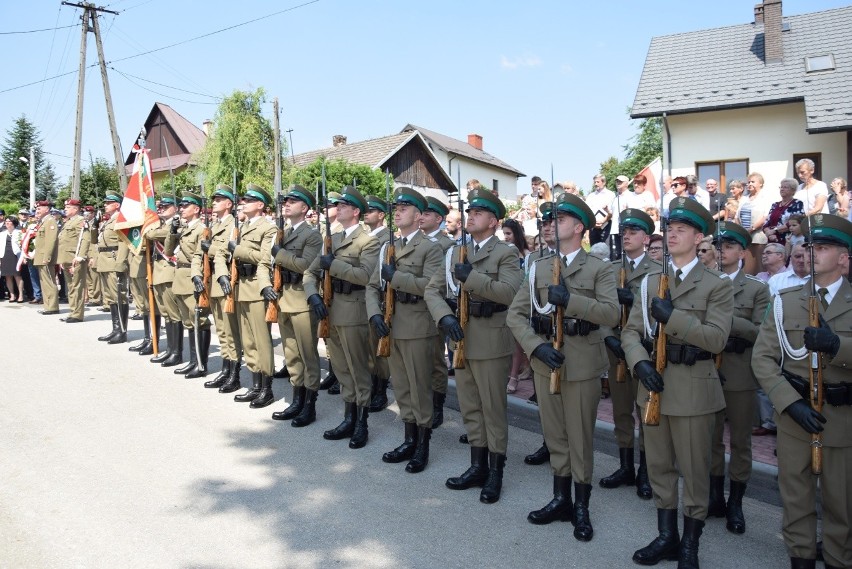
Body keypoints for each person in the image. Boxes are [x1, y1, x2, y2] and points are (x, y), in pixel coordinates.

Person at [621, 197, 733, 568]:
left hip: (694, 390)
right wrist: (639, 363)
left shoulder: (716, 284)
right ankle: (667, 537)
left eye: (681, 229)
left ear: (700, 237)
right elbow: (631, 332)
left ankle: (690, 545)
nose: (672, 234)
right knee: (659, 467)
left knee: (694, 470)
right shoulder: (650, 281)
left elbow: (717, 339)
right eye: (669, 228)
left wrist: (675, 318)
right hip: (652, 385)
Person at [507, 192, 618, 541]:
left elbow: (612, 314)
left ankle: (581, 507)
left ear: (579, 227)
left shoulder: (599, 269)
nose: (549, 224)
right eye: (548, 220)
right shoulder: (538, 266)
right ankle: (560, 499)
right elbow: (516, 315)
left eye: (558, 219)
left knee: (580, 438)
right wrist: (536, 348)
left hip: (582, 364)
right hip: (545, 363)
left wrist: (572, 300)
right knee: (554, 434)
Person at [751, 213, 852, 569]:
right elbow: (762, 359)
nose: (810, 253)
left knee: (843, 506)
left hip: (842, 420)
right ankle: (802, 560)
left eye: (821, 248)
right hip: (795, 417)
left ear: (844, 258)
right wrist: (789, 404)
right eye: (808, 246)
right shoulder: (786, 300)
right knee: (796, 503)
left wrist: (837, 345)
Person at [427, 188, 523, 504]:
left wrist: (472, 279)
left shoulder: (505, 253)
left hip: (492, 339)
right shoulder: (455, 252)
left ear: (493, 221)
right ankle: (477, 466)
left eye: (479, 213)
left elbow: (510, 293)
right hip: (461, 338)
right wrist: (444, 318)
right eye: (470, 212)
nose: (471, 216)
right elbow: (433, 291)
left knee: (492, 409)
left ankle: (496, 473)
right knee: (470, 405)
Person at [367, 187, 443, 473]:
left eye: (404, 208)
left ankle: (422, 446)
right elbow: (373, 286)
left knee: (419, 388)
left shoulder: (430, 248)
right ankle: (409, 440)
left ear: (419, 215)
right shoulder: (390, 246)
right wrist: (374, 313)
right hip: (391, 324)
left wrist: (397, 277)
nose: (397, 212)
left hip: (417, 326)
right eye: (396, 208)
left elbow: (432, 286)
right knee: (401, 387)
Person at [708, 221, 771, 536]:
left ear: (743, 252)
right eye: (719, 246)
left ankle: (736, 503)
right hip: (709, 371)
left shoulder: (757, 288)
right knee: (712, 439)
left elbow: (763, 332)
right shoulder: (705, 282)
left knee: (741, 442)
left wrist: (727, 319)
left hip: (740, 373)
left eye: (730, 246)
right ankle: (715, 497)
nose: (723, 251)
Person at [304, 185, 380, 448]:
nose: (339, 208)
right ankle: (348, 418)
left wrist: (333, 265)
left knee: (358, 369)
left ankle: (362, 423)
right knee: (340, 367)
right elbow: (309, 273)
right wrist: (312, 295)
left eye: (344, 205)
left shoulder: (369, 241)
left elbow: (365, 276)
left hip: (354, 310)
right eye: (338, 205)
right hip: (330, 310)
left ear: (356, 211)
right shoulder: (332, 239)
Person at [599, 208, 661, 501]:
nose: (626, 235)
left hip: (643, 352)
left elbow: (659, 314)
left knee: (644, 411)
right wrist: (608, 338)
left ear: (646, 238)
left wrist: (633, 298)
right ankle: (625, 466)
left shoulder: (658, 272)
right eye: (624, 231)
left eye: (633, 231)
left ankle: (646, 472)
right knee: (621, 410)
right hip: (616, 352)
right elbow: (600, 310)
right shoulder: (610, 270)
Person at [269, 185, 323, 427]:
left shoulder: (312, 235)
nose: (287, 204)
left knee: (307, 354)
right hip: (284, 299)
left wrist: (279, 255)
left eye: (293, 201)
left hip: (301, 300)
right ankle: (296, 400)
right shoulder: (285, 232)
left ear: (305, 208)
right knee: (291, 354)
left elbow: (305, 265)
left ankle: (309, 406)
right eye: (286, 201)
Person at [227, 185, 279, 408]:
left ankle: (267, 389)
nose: (243, 203)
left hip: (257, 287)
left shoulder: (268, 228)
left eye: (249, 200)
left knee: (261, 340)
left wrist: (237, 250)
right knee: (248, 340)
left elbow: (265, 257)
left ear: (260, 205)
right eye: (243, 200)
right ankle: (255, 385)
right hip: (241, 287)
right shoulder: (242, 226)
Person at [165, 191, 212, 379]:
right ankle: (193, 361)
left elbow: (201, 257)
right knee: (188, 321)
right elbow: (169, 250)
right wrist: (172, 231)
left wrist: (198, 277)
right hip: (180, 276)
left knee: (198, 321)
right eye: (181, 206)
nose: (182, 209)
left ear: (197, 209)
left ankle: (201, 364)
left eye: (186, 206)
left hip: (193, 276)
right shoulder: (184, 228)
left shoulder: (201, 229)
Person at [201, 185, 242, 392]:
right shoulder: (216, 225)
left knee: (230, 331)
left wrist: (211, 248)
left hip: (226, 280)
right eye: (213, 199)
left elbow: (229, 251)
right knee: (221, 331)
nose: (214, 203)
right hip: (214, 284)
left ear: (229, 204)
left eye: (218, 200)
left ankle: (234, 374)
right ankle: (226, 370)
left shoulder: (234, 225)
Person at [420, 196, 455, 428]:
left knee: (434, 360)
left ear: (439, 219)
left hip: (434, 309)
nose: (421, 217)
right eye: (420, 213)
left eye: (427, 214)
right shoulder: (414, 241)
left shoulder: (447, 245)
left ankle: (437, 404)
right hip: (412, 309)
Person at [362, 194, 392, 414]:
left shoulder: (387, 238)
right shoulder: (365, 236)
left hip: (379, 298)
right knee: (368, 347)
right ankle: (372, 386)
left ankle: (380, 390)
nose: (366, 213)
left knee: (378, 349)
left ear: (381, 215)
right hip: (365, 297)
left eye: (371, 210)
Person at [147, 197, 185, 369]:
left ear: (175, 208)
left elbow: (151, 234)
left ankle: (176, 353)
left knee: (174, 314)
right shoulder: (162, 225)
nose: (161, 208)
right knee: (166, 313)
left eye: (166, 206)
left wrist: (148, 229)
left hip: (169, 271)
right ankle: (170, 350)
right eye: (160, 206)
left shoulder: (176, 224)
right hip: (158, 271)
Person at [93, 193, 130, 344]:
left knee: (118, 296)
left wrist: (120, 263)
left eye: (109, 202)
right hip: (104, 261)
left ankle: (122, 331)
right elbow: (95, 241)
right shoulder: (108, 221)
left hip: (114, 260)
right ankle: (115, 329)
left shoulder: (120, 220)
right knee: (110, 298)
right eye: (105, 202)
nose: (105, 205)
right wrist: (95, 225)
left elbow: (123, 243)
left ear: (117, 205)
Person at [501, 218, 531, 394]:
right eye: (503, 233)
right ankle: (506, 373)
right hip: (504, 300)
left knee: (517, 341)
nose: (505, 237)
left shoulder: (526, 255)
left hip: (520, 301)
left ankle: (514, 376)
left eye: (509, 233)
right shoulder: (503, 252)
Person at [57, 199, 90, 323]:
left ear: (75, 209)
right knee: (71, 287)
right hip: (66, 258)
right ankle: (72, 311)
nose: (65, 209)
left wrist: (81, 256)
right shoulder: (69, 222)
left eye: (68, 207)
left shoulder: (80, 221)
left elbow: (85, 239)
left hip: (75, 258)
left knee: (77, 286)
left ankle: (77, 314)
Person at [32, 200, 60, 315]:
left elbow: (51, 240)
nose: (37, 211)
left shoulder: (50, 221)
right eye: (37, 209)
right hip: (40, 256)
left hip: (45, 257)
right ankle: (48, 305)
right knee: (44, 282)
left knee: (49, 281)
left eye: (39, 208)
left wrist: (47, 257)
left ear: (47, 209)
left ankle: (52, 307)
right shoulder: (43, 222)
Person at [763, 178, 805, 248]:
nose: (782, 189)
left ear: (793, 190)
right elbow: (766, 224)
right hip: (772, 240)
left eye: (785, 187)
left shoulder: (797, 203)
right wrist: (770, 234)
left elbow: (796, 222)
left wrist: (774, 231)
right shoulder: (775, 205)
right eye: (781, 187)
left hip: (787, 240)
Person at [586, 174, 614, 246]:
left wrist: (603, 221)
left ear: (604, 182)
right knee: (593, 251)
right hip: (593, 227)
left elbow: (612, 211)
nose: (595, 184)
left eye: (598, 182)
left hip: (606, 225)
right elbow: (587, 212)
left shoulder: (611, 194)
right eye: (595, 182)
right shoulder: (590, 196)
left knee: (606, 250)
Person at [0, 216, 24, 301]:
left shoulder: (19, 232)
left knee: (17, 276)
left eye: (9, 221)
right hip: (5, 255)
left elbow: (23, 246)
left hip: (16, 256)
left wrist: (23, 257)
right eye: (6, 221)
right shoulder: (2, 234)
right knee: (8, 276)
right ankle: (12, 295)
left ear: (13, 223)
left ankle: (21, 295)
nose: (7, 223)